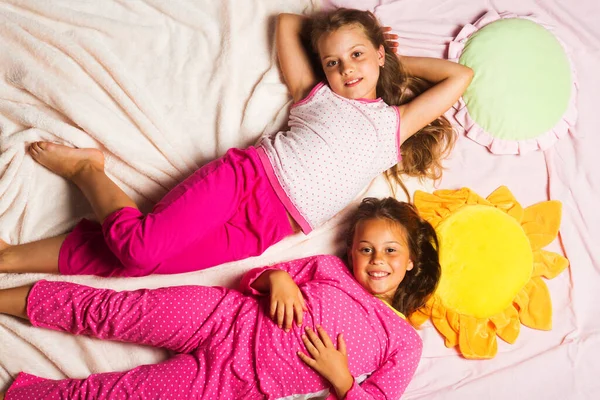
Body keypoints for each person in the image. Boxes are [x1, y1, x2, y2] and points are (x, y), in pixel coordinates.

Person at [0, 8, 472, 277]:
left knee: (140, 262)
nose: (346, 69)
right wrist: (342, 47)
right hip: (248, 180)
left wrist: (391, 62)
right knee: (141, 248)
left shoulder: (393, 124)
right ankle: (88, 170)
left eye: (356, 56)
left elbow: (460, 76)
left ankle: (9, 258)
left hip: (271, 229)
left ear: (377, 54)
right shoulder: (319, 96)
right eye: (333, 62)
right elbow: (287, 22)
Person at [0, 197, 441, 399]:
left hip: (233, 383)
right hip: (222, 316)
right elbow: (255, 277)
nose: (375, 259)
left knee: (122, 395)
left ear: (411, 263)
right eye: (365, 248)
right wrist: (276, 279)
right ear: (351, 252)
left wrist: (342, 378)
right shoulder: (330, 270)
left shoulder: (403, 340)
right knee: (110, 312)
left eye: (389, 251)